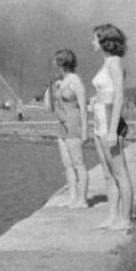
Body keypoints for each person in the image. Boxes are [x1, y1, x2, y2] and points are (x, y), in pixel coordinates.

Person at [91, 23, 133, 231]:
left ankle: (125, 220)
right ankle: (112, 217)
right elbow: (104, 91)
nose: (92, 42)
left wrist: (112, 130)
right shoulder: (106, 62)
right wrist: (94, 100)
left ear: (104, 41)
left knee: (120, 172)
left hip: (109, 121)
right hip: (99, 120)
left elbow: (119, 97)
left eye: (95, 38)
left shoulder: (115, 62)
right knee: (108, 173)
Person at [45, 49, 89, 208]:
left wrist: (85, 131)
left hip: (73, 125)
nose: (54, 66)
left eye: (56, 62)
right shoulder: (60, 81)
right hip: (61, 126)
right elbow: (47, 107)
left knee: (78, 163)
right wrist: (51, 86)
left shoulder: (75, 81)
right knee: (67, 164)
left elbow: (83, 107)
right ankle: (72, 197)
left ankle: (82, 200)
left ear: (63, 63)